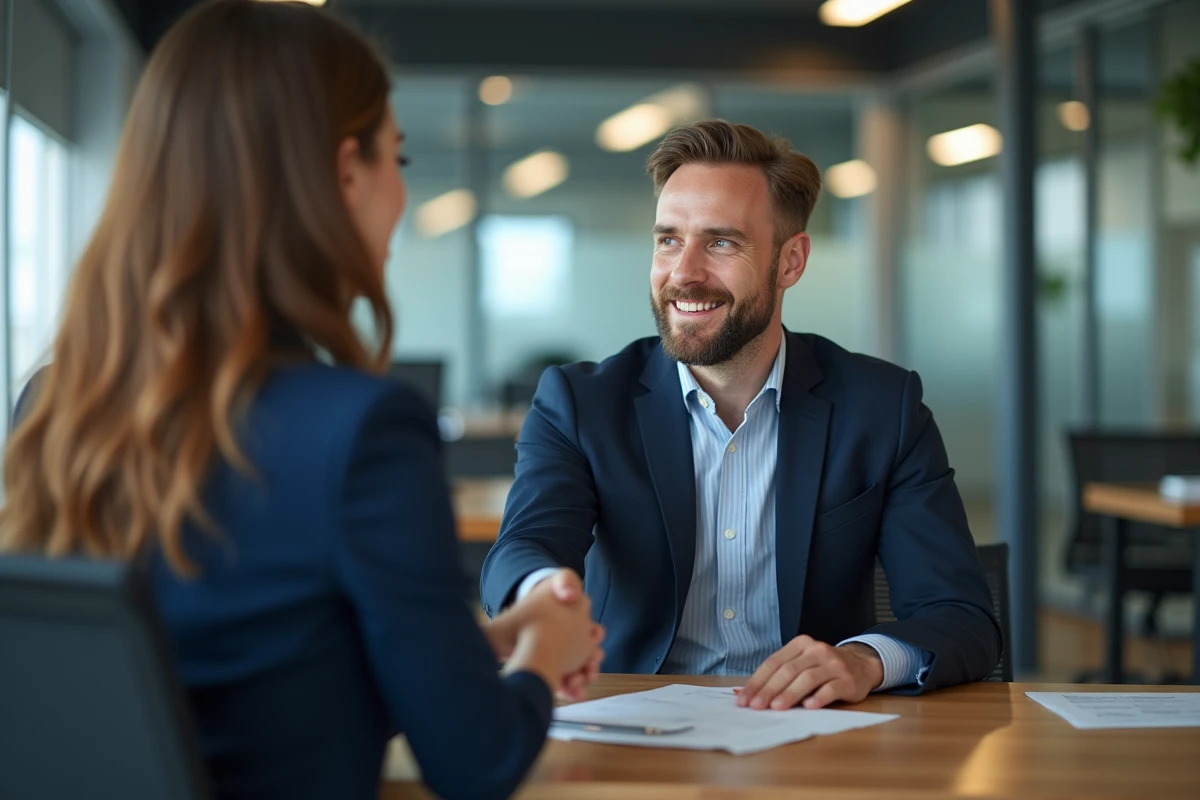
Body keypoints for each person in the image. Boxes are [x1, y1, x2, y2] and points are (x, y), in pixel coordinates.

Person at [0, 2, 601, 798]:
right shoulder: (362, 429)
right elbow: (476, 763)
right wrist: (544, 653)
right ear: (346, 171)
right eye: (398, 156)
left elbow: (237, 679)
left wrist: (476, 648)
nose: (401, 193)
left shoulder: (56, 405)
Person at [481, 119, 1001, 712]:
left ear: (791, 261)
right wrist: (544, 593)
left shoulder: (882, 408)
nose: (683, 272)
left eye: (721, 242)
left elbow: (961, 618)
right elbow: (525, 545)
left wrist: (865, 660)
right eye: (668, 240)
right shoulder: (581, 403)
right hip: (633, 718)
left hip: (811, 726)